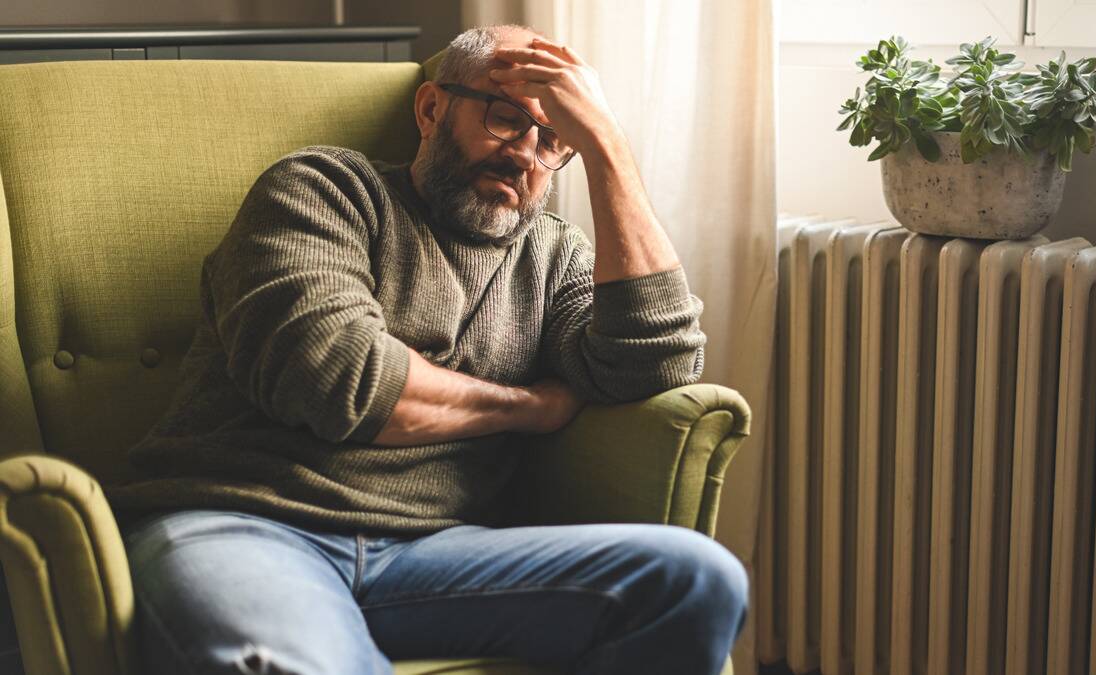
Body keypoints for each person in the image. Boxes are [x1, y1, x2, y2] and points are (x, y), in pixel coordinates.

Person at [107, 24, 747, 675]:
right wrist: (531, 407)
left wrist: (607, 146)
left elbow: (657, 363)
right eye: (507, 119)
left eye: (554, 140)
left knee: (697, 578)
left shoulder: (553, 256)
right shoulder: (323, 190)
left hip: (437, 554)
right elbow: (342, 381)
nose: (527, 155)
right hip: (246, 525)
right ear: (433, 109)